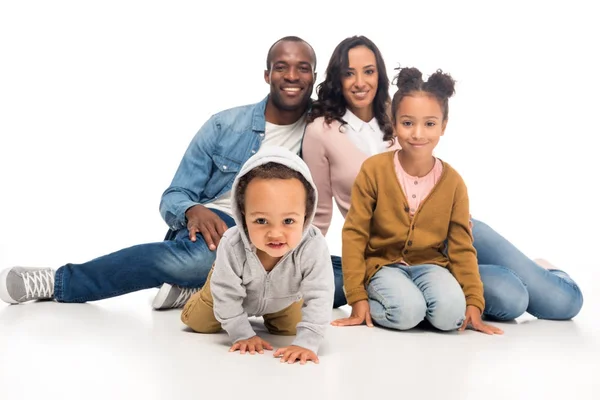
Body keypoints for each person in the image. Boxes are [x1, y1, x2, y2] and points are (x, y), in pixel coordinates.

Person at [0, 36, 318, 309]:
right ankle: (58, 282)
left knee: (339, 274)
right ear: (267, 74)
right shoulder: (225, 125)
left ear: (314, 77)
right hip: (222, 229)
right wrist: (194, 210)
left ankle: (202, 293)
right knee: (202, 260)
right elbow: (175, 195)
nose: (292, 75)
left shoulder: (324, 130)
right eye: (281, 66)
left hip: (280, 236)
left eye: (302, 68)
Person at [301, 35, 583, 321]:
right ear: (337, 78)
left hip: (451, 231)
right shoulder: (321, 132)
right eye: (349, 73)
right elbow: (319, 213)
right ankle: (510, 276)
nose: (360, 81)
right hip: (391, 254)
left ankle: (543, 272)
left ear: (380, 74)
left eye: (369, 71)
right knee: (509, 296)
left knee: (562, 304)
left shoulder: (401, 111)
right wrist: (298, 264)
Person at [331, 66, 502, 333]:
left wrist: (473, 301)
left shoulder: (454, 183)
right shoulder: (374, 170)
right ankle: (400, 305)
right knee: (405, 313)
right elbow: (355, 233)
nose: (418, 134)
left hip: (430, 265)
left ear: (443, 126)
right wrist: (357, 297)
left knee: (451, 318)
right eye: (408, 123)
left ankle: (416, 305)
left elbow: (461, 246)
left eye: (430, 124)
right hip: (382, 265)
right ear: (394, 121)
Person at [180, 146, 334, 365]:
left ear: (306, 216)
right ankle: (194, 291)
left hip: (283, 299)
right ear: (243, 214)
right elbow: (227, 295)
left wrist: (307, 342)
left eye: (288, 221)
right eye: (261, 221)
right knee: (197, 323)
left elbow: (321, 294)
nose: (275, 233)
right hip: (228, 293)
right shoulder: (232, 244)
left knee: (289, 330)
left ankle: (273, 316)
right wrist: (243, 333)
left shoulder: (312, 245)